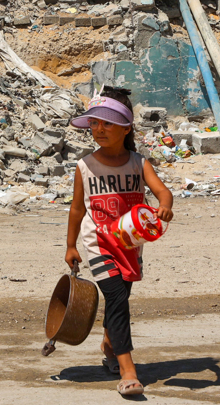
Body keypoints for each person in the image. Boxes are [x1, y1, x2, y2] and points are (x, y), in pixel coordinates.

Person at [64, 87, 174, 397]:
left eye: (107, 123)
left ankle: (110, 345)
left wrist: (165, 205)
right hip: (98, 242)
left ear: (126, 128)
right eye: (95, 123)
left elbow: (163, 192)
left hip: (130, 243)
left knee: (119, 298)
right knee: (116, 298)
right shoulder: (85, 166)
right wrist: (71, 246)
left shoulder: (139, 163)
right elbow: (76, 209)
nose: (99, 129)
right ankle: (128, 371)